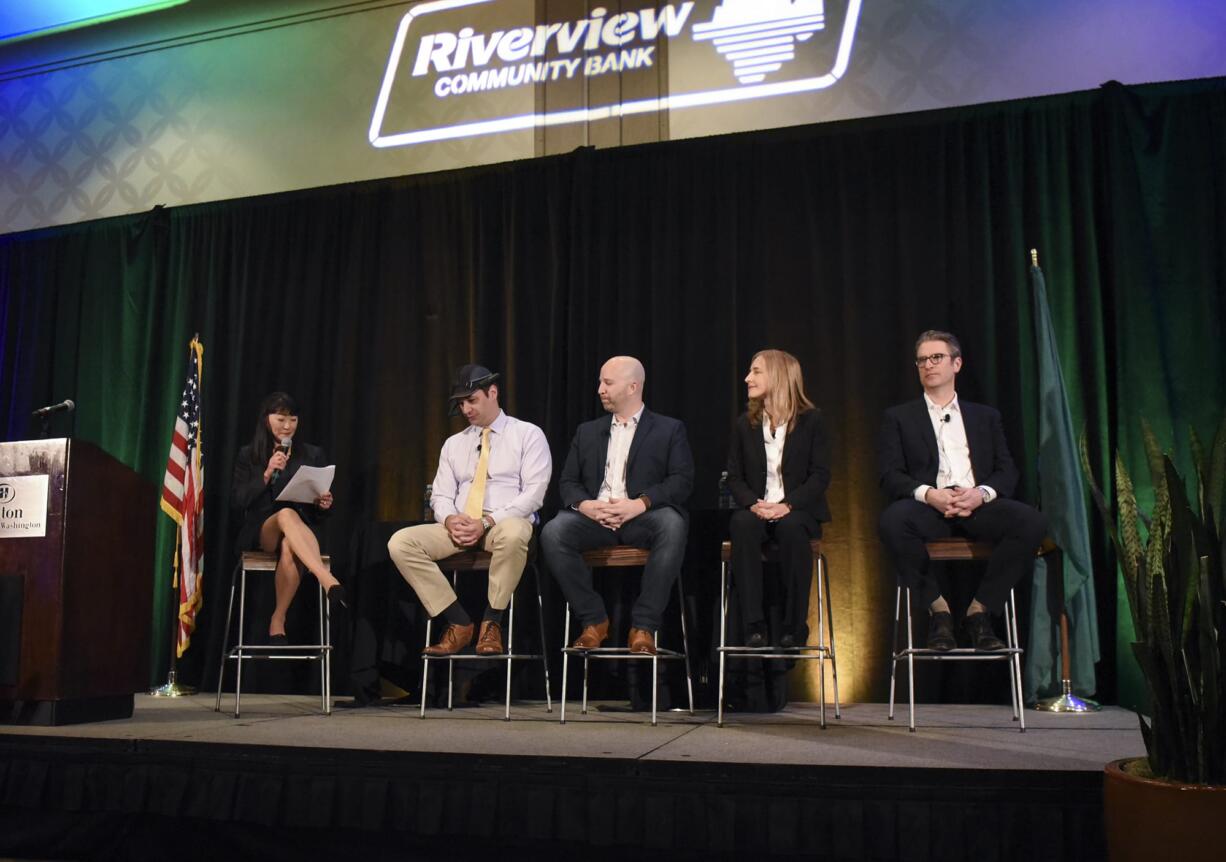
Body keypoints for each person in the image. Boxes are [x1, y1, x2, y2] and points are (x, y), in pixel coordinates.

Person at [878, 330, 1048, 650]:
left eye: (936, 357)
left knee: (1032, 522)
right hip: (930, 507)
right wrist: (930, 494)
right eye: (922, 360)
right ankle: (938, 611)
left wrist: (980, 494)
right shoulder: (898, 418)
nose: (928, 365)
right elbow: (889, 475)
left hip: (976, 504)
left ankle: (980, 611)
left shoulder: (986, 416)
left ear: (957, 363)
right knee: (892, 521)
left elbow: (1006, 469)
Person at [387, 365, 551, 656]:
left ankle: (492, 622)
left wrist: (488, 521)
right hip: (461, 525)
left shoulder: (527, 434)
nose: (465, 409)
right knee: (401, 542)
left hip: (501, 523)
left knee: (514, 533)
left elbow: (534, 494)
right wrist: (450, 519)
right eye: (460, 403)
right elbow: (440, 494)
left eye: (471, 400)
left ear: (493, 392)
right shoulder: (454, 444)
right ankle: (459, 622)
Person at [542, 356, 694, 656]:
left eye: (608, 383)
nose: (600, 389)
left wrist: (640, 503)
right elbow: (568, 482)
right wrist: (586, 505)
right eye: (600, 382)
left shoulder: (668, 429)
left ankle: (644, 627)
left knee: (673, 524)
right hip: (595, 519)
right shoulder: (587, 432)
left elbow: (682, 481)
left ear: (632, 386)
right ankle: (594, 620)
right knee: (553, 532)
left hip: (642, 516)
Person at [725, 349, 831, 648]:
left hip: (797, 509)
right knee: (742, 523)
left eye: (756, 371)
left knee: (791, 527)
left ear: (779, 375)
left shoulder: (812, 421)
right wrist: (753, 503)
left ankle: (794, 625)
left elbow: (820, 476)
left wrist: (787, 505)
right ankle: (753, 625)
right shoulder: (745, 424)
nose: (748, 378)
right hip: (758, 508)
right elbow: (734, 476)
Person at [231, 392, 343, 644]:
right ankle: (326, 579)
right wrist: (268, 472)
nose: (287, 426)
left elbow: (321, 510)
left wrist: (323, 503)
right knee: (285, 514)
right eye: (281, 419)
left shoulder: (312, 454)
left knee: (289, 544)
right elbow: (238, 501)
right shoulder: (249, 455)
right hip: (262, 530)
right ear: (266, 419)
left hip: (299, 532)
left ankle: (278, 619)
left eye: (292, 419)